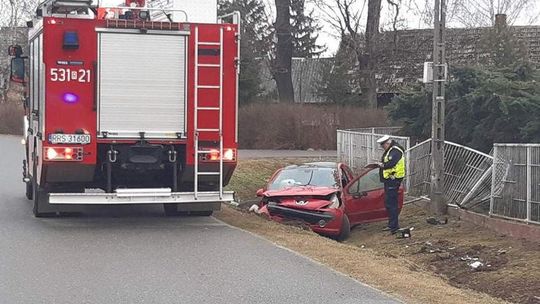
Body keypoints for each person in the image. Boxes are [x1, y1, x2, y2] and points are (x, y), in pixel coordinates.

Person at [376, 135, 405, 234]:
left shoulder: (395, 150)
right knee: (389, 202)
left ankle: (394, 226)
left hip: (393, 179)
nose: (382, 147)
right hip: (389, 179)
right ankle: (391, 224)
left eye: (383, 145)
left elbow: (392, 163)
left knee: (392, 203)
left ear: (387, 143)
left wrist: (382, 165)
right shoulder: (391, 149)